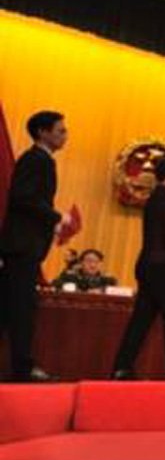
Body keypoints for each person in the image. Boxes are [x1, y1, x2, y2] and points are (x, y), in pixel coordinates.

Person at [0, 110, 73, 381]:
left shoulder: (41, 160)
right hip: (22, 247)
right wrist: (56, 216)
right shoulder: (36, 160)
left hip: (22, 245)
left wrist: (50, 223)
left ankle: (22, 366)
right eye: (60, 130)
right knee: (21, 309)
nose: (65, 135)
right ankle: (23, 369)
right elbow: (22, 198)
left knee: (8, 307)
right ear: (43, 132)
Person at [111, 157, 165, 380]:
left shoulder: (155, 197)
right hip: (164, 267)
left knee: (142, 319)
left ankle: (122, 368)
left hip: (148, 265)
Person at [53, 248, 117, 292]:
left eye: (97, 262)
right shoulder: (70, 276)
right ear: (81, 263)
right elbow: (56, 284)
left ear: (101, 264)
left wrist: (101, 290)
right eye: (89, 261)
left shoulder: (107, 279)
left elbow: (114, 291)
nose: (93, 265)